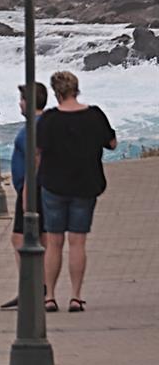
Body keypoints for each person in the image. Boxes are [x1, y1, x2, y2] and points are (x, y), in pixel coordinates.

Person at [38, 70, 118, 313]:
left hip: (54, 185)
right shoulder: (94, 115)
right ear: (76, 89)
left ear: (56, 92)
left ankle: (50, 296)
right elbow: (112, 143)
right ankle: (75, 296)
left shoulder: (49, 119)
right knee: (77, 242)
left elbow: (38, 151)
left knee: (53, 242)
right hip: (85, 185)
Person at [0, 81, 48, 310]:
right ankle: (41, 286)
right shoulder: (44, 124)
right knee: (42, 236)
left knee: (20, 239)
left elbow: (34, 162)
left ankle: (31, 287)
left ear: (28, 102)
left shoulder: (34, 128)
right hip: (39, 188)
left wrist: (27, 194)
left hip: (32, 189)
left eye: (21, 99)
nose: (19, 104)